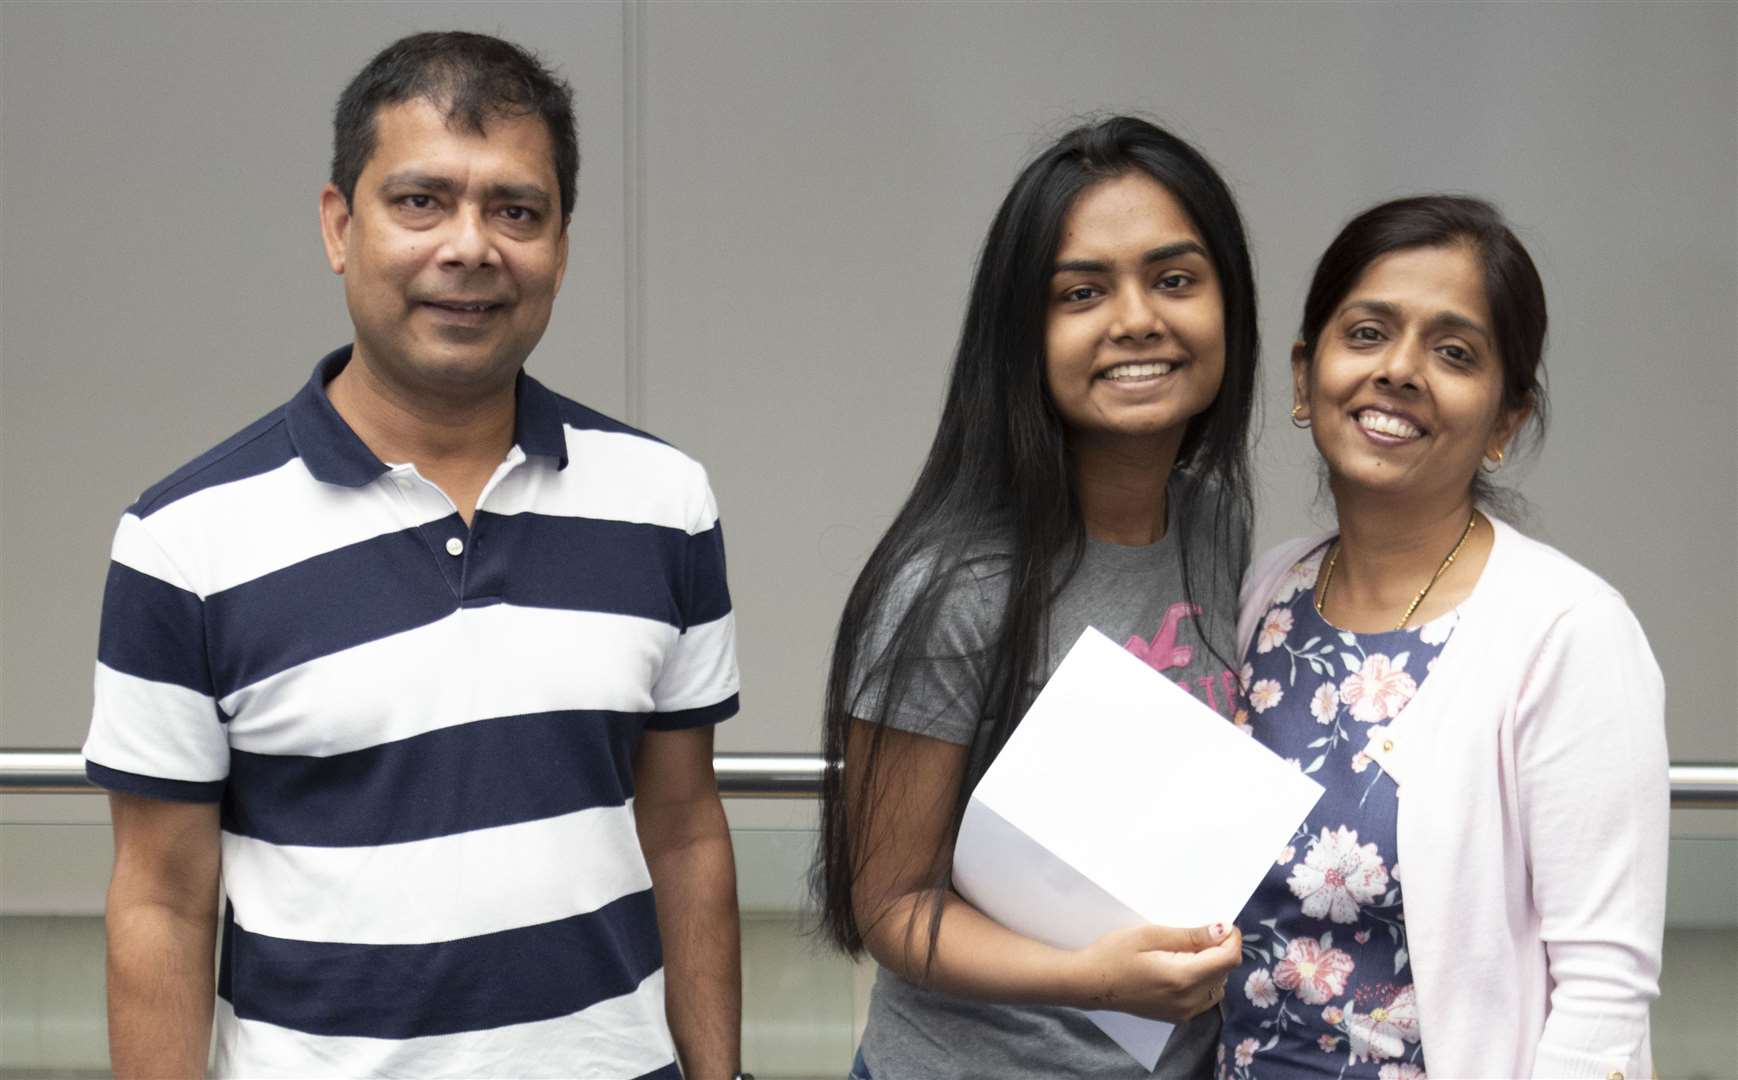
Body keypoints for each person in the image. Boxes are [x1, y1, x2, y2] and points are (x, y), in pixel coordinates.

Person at [82, 32, 744, 1080]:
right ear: (340, 226)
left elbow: (684, 830)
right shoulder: (183, 542)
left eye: (516, 210)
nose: (472, 247)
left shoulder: (665, 503)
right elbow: (161, 901)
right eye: (421, 202)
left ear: (562, 243)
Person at [816, 116, 1259, 1079]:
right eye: (1082, 292)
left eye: (1175, 279)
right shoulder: (952, 585)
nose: (1138, 318)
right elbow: (890, 906)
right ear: (1023, 333)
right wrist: (1091, 979)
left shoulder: (1218, 530)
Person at [1220, 196, 1667, 1079]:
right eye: (1368, 333)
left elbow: (1603, 999)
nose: (1400, 369)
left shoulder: (1566, 630)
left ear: (1505, 420)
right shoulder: (1266, 593)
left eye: (1454, 353)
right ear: (1306, 378)